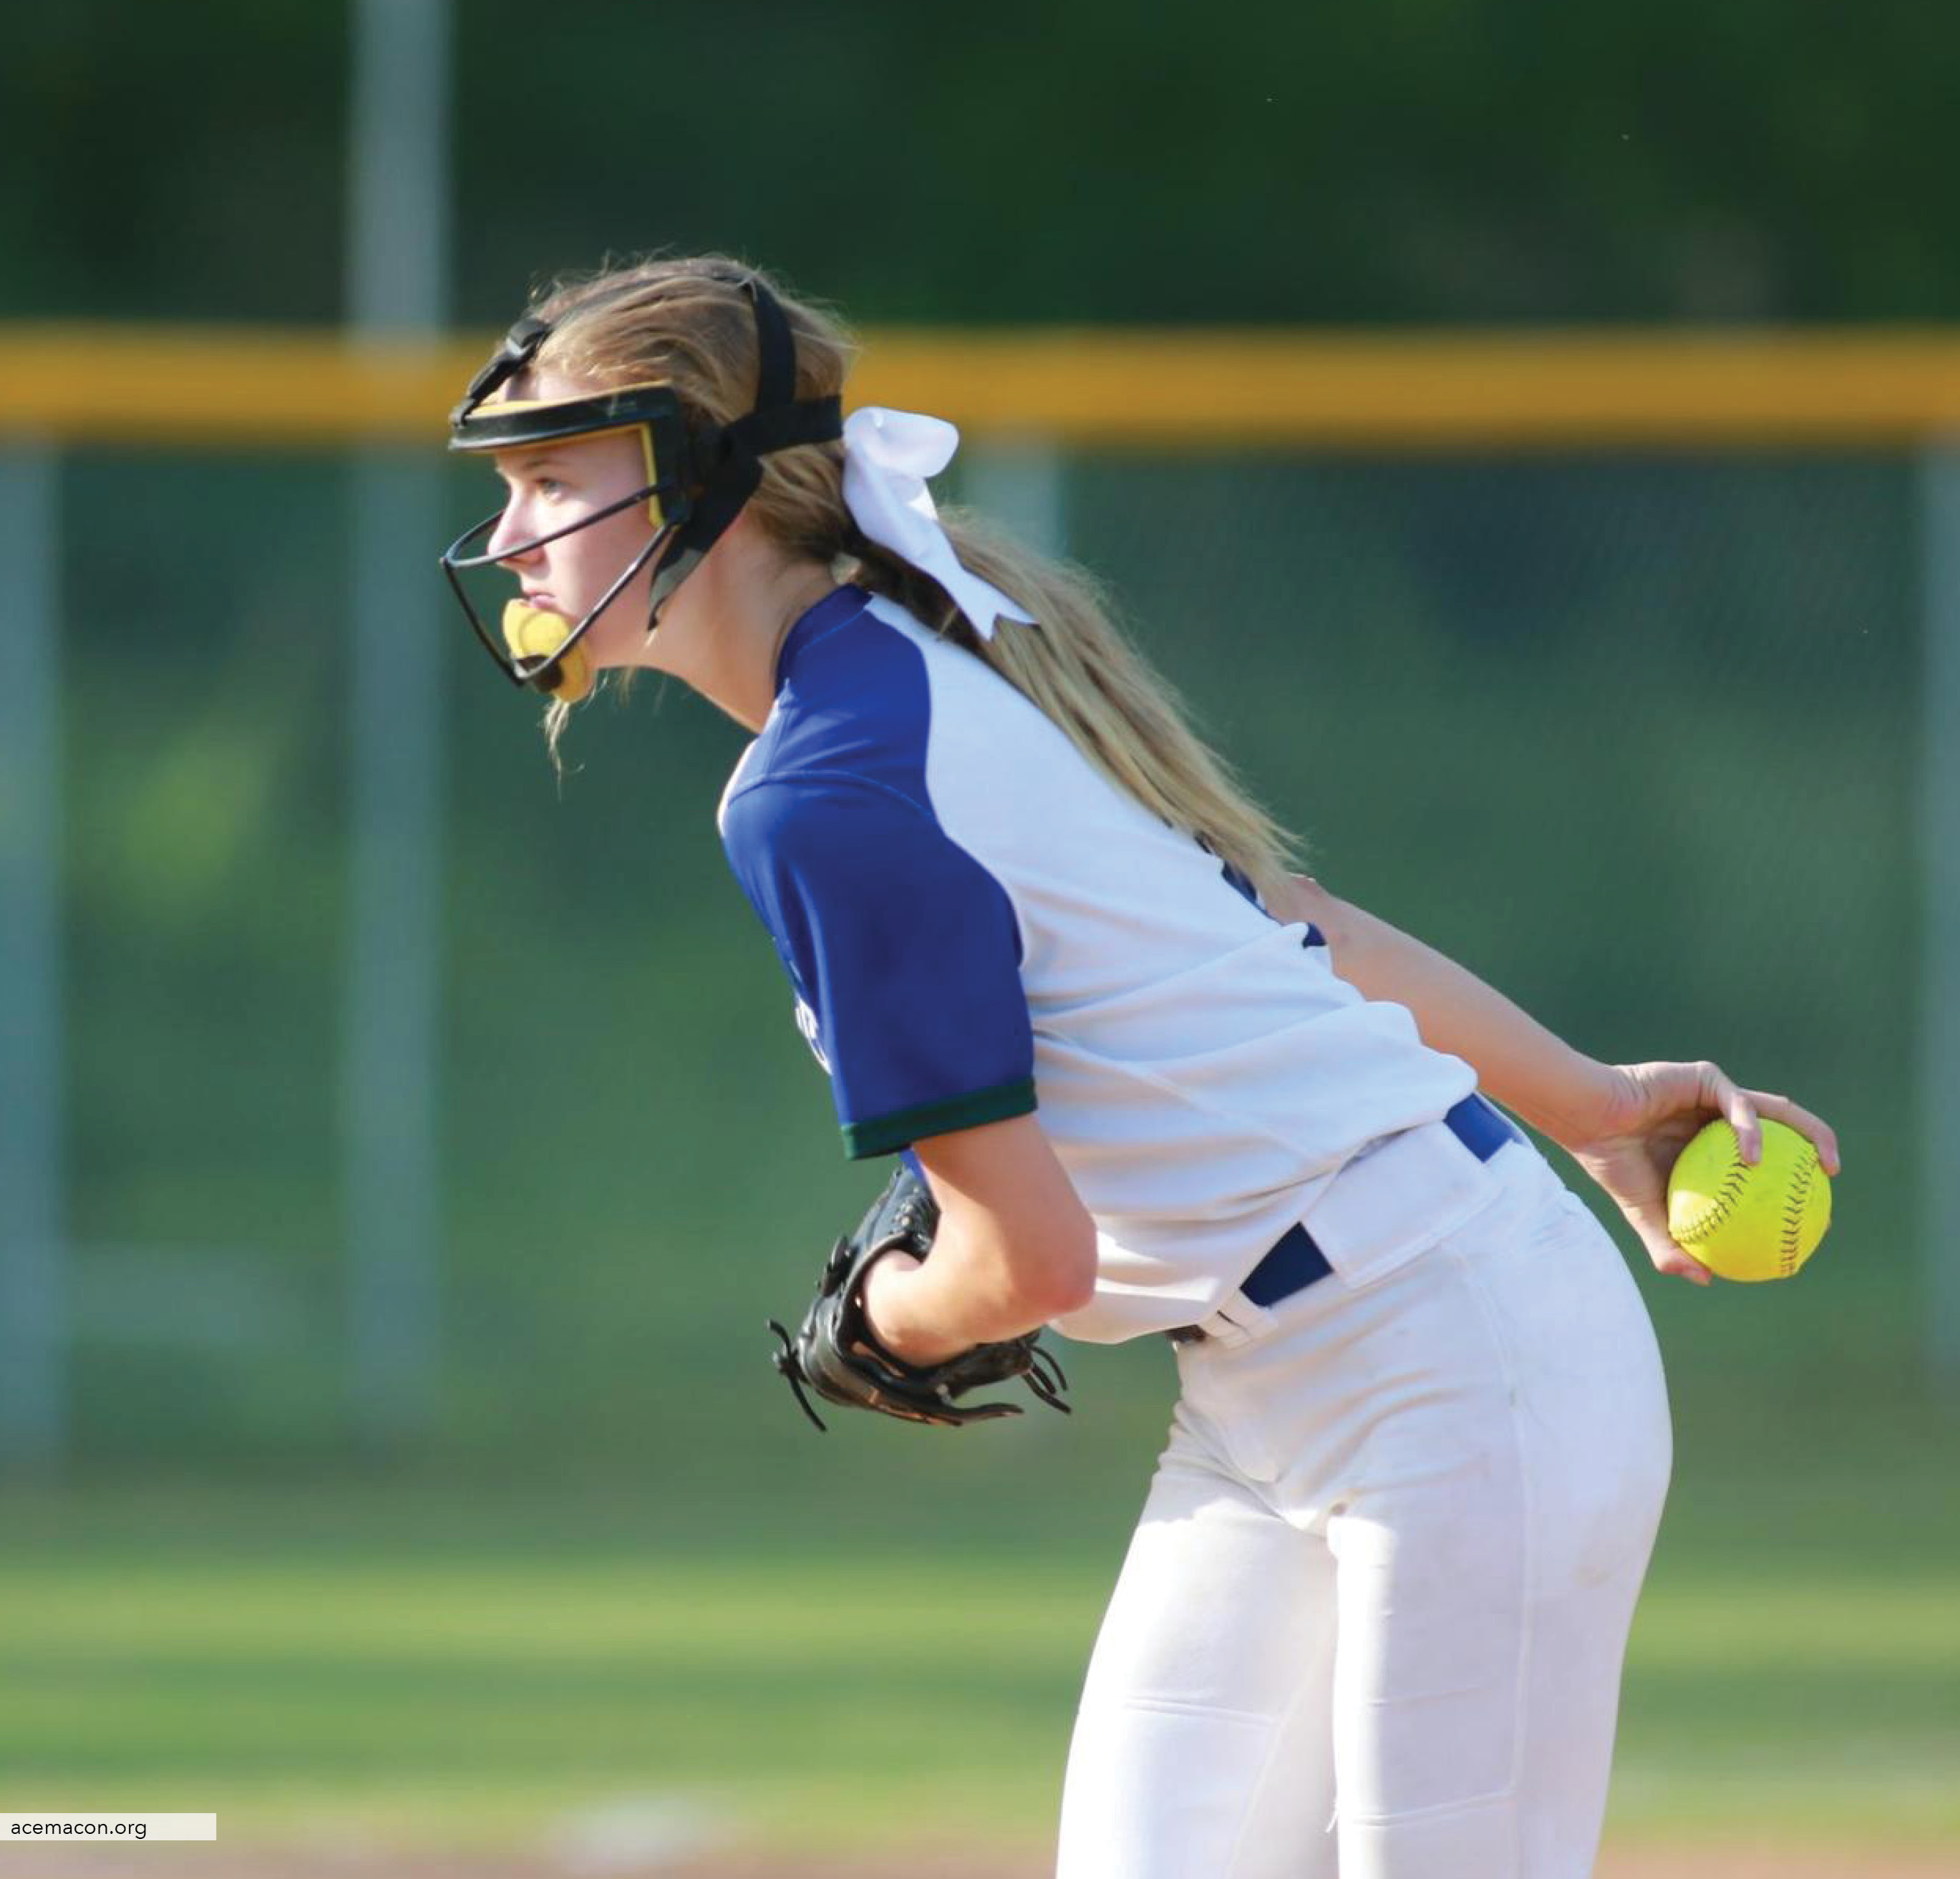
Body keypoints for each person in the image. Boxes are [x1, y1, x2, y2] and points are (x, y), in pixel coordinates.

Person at [440, 256, 1839, 1878]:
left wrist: (876, 1324)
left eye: (553, 474)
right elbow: (1288, 927)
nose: (514, 534)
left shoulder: (829, 776)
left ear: (701, 475)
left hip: (1460, 1353)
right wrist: (1595, 1106)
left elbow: (1026, 1260)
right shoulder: (902, 653)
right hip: (1272, 1383)